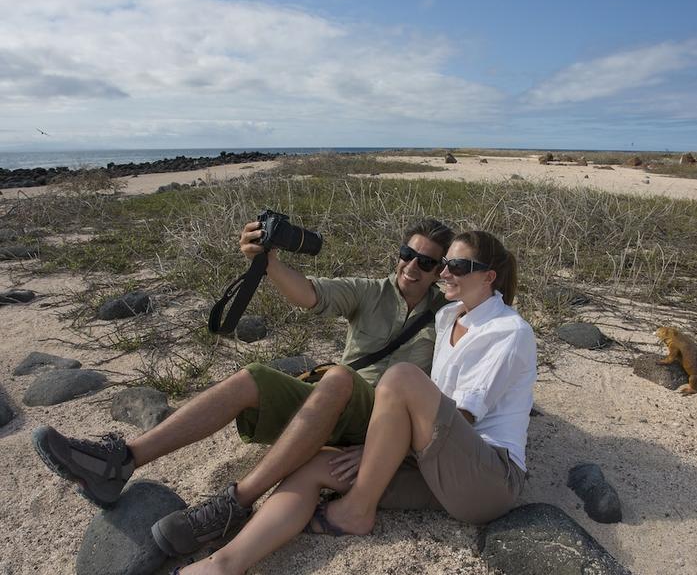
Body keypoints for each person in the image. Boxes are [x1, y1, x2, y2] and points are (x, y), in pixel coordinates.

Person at [32, 217, 454, 557]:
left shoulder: (447, 316)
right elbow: (308, 294)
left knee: (339, 376)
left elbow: (453, 394)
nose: (412, 267)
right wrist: (267, 262)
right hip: (335, 402)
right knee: (255, 375)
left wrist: (386, 445)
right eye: (406, 254)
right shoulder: (370, 291)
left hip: (382, 419)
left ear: (440, 271)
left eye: (426, 262)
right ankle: (122, 461)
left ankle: (235, 503)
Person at [176, 230, 538, 575]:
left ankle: (357, 510)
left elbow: (462, 415)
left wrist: (378, 449)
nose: (444, 272)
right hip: (438, 471)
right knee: (318, 467)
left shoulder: (508, 330)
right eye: (445, 263)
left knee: (402, 377)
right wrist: (268, 260)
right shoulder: (447, 315)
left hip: (488, 478)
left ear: (489, 276)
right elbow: (316, 295)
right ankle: (226, 563)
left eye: (457, 267)